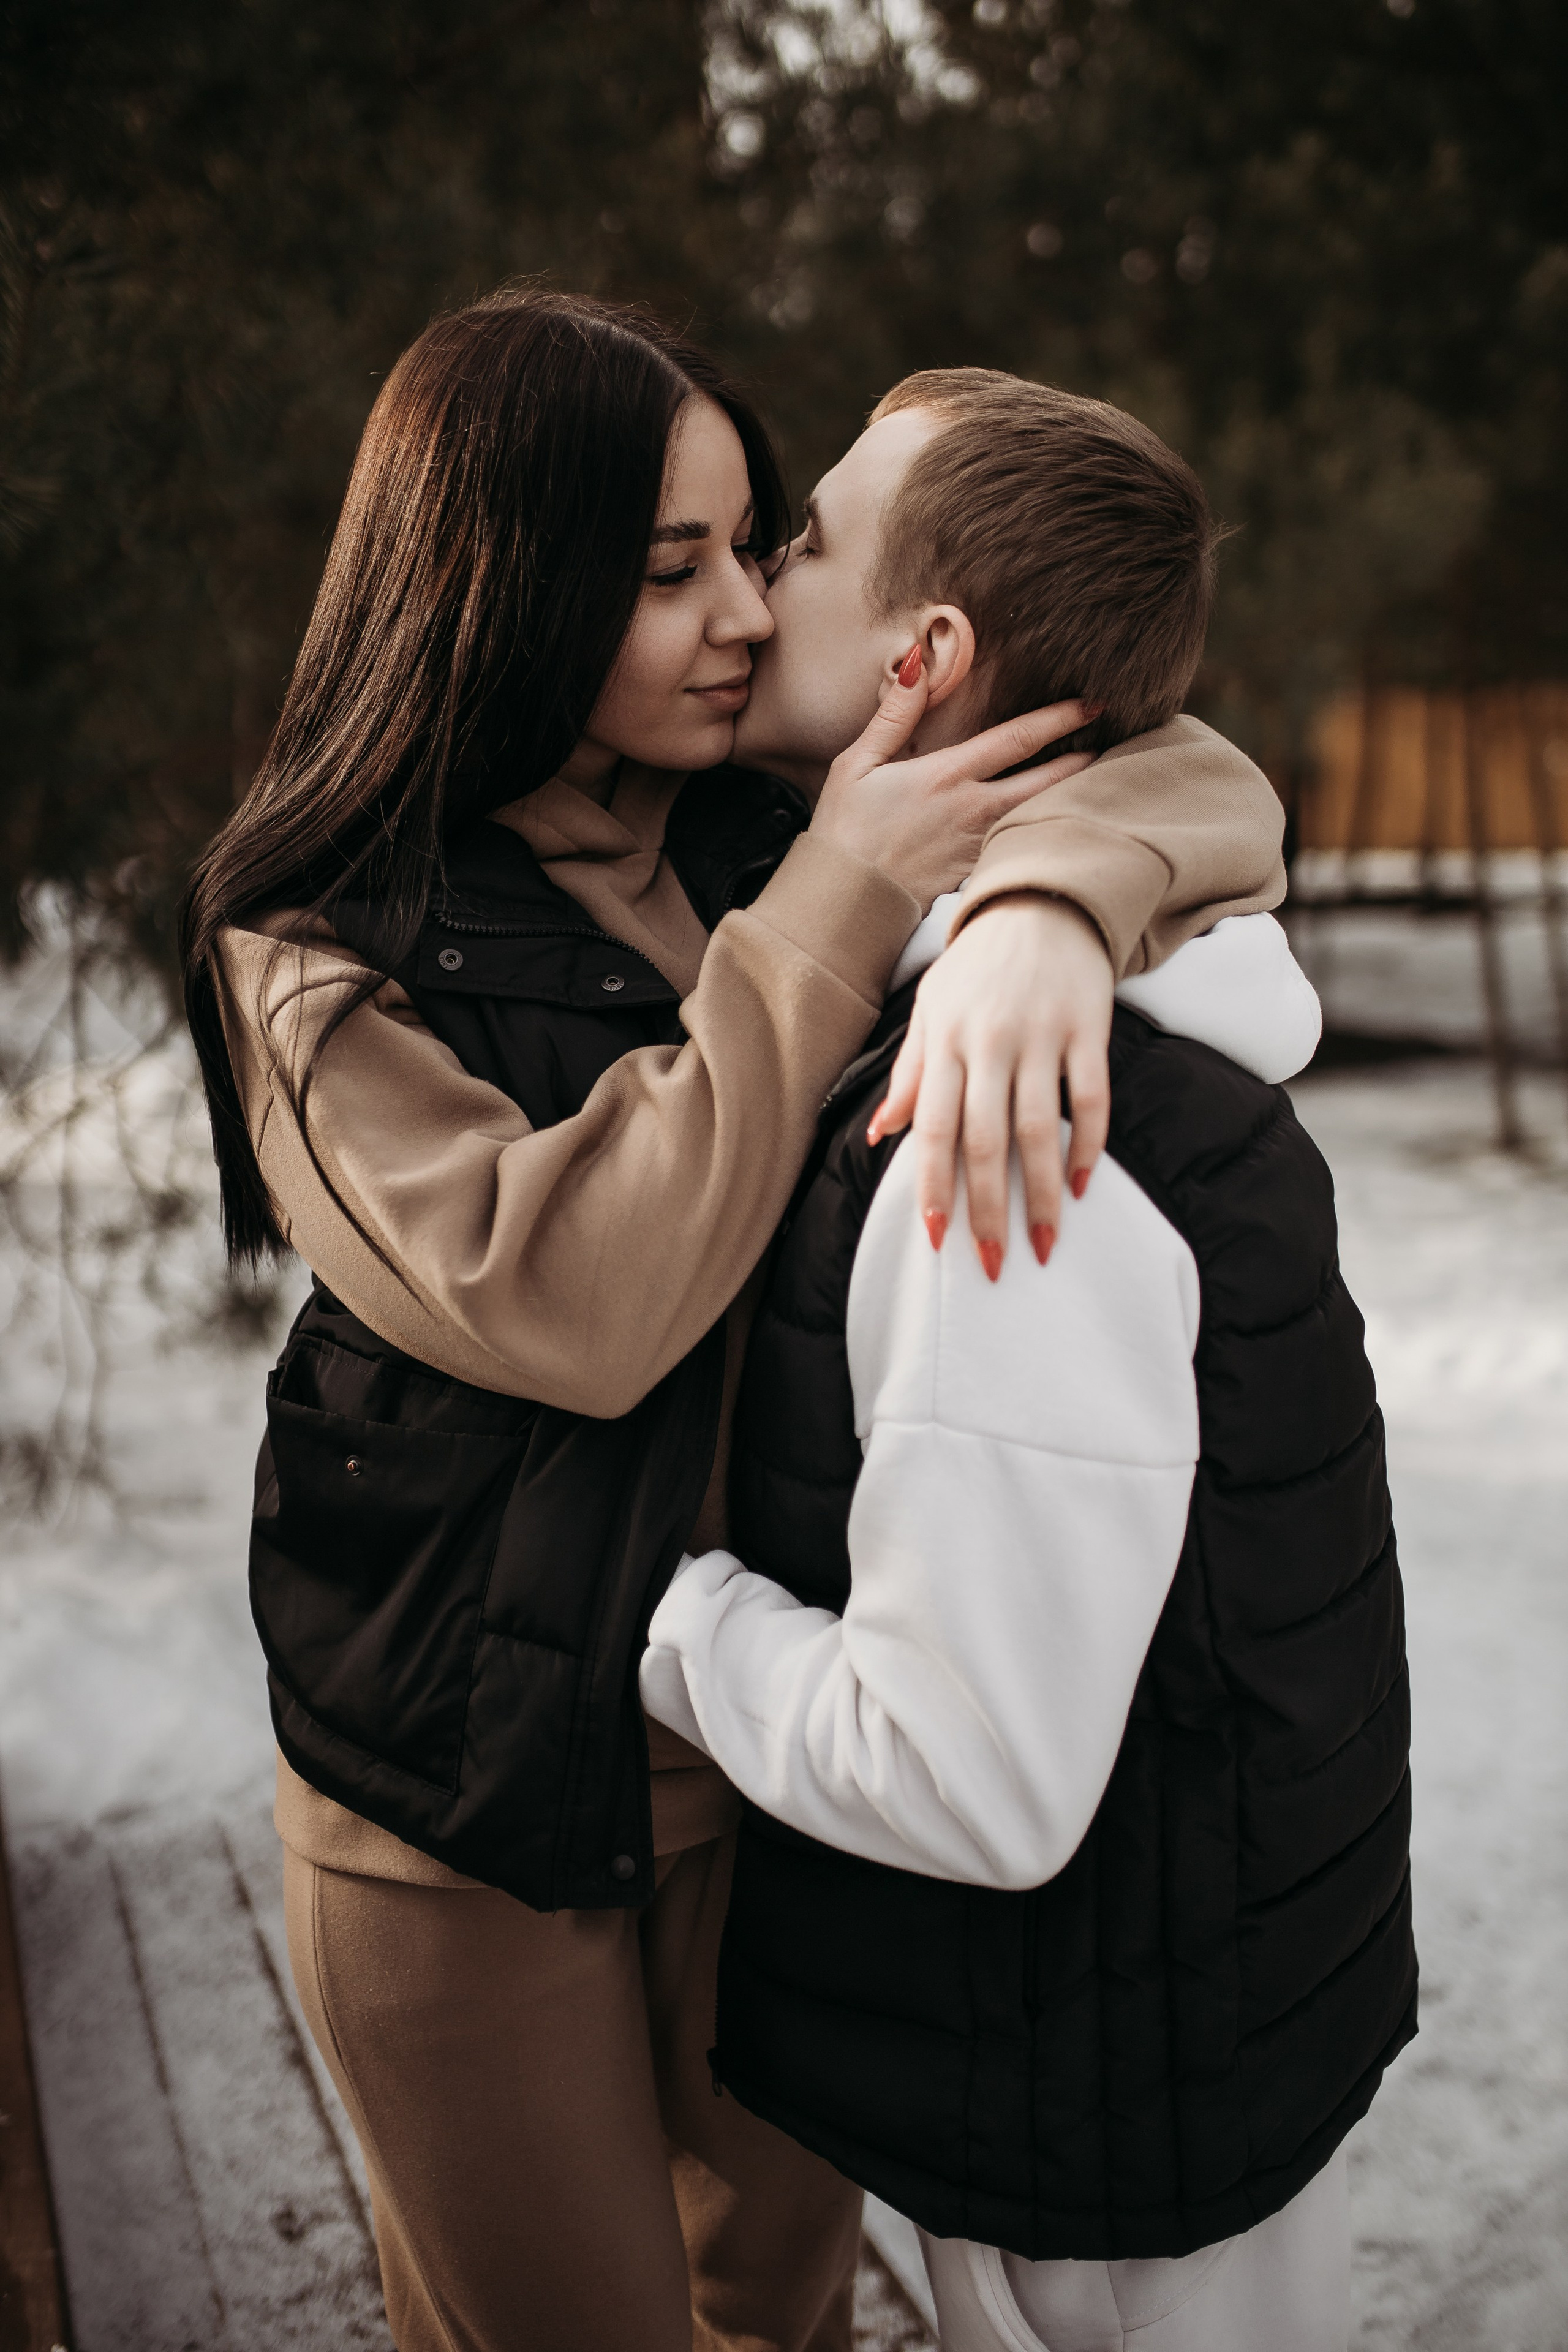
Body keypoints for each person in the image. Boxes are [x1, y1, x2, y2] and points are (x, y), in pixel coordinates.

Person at [179, 296, 1286, 2352]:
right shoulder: (318, 950)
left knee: (780, 2321)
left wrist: (1046, 909)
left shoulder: (770, 808)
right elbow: (578, 1298)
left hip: (779, 1772)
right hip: (468, 1807)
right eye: (666, 565)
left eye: (752, 544)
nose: (738, 611)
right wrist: (842, 913)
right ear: (498, 581)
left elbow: (1184, 760)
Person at [641, 371, 1416, 2352]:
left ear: (926, 656)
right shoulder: (1107, 998)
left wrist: (663, 1608)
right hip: (1185, 2024)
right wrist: (1039, 904)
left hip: (1109, 2099)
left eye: (797, 539)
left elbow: (966, 1774)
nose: (753, 583)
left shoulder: (1011, 1134)